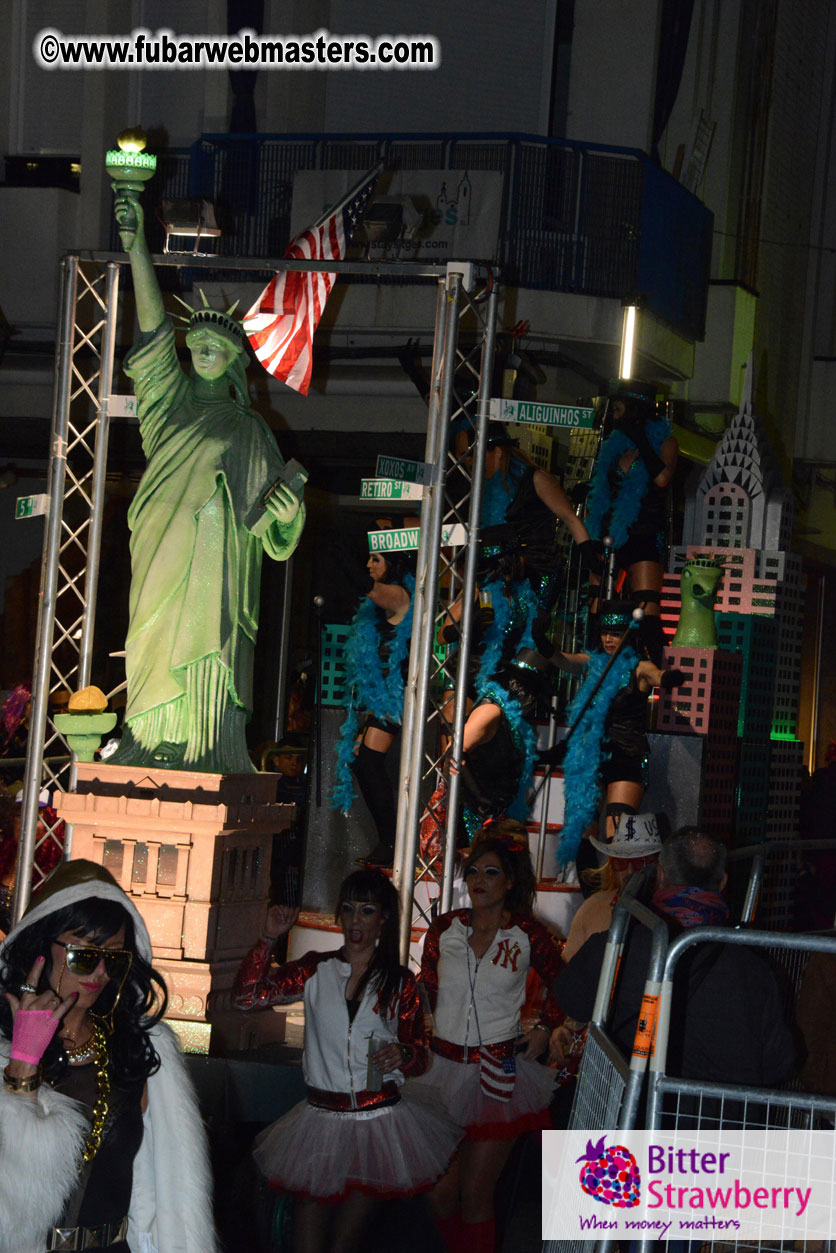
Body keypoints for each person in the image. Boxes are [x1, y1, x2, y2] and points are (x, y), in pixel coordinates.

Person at [110, 181, 305, 774]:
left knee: (206, 643)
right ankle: (148, 738)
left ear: (236, 361)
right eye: (197, 341)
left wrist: (288, 511)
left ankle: (204, 744)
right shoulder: (167, 403)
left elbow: (276, 522)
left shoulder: (249, 430)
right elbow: (148, 327)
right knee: (148, 635)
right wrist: (138, 245)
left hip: (217, 566)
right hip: (161, 543)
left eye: (219, 345)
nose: (205, 350)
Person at [232, 868, 460, 1253]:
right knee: (308, 1235)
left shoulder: (400, 982)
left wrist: (402, 1054)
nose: (356, 921)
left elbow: (421, 1056)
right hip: (321, 1117)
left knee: (345, 1245)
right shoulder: (314, 969)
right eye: (349, 909)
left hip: (379, 1121)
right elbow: (247, 997)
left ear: (383, 918)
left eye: (367, 910)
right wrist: (268, 938)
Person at [0, 858, 216, 1253]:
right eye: (84, 954)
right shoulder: (3, 1047)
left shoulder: (140, 1051)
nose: (100, 971)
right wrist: (22, 1063)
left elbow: (163, 1191)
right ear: (41, 948)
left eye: (113, 957)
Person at [552, 828, 795, 1090]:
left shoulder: (617, 945)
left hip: (635, 1116)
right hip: (722, 1124)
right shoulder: (755, 968)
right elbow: (779, 1063)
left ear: (660, 875)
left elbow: (570, 1000)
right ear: (723, 882)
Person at [419, 823, 563, 1253]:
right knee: (440, 1193)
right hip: (440, 1069)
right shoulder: (444, 928)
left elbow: (567, 983)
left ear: (511, 881)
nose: (478, 881)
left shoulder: (529, 934)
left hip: (497, 1074)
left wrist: (545, 1027)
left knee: (476, 1195)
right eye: (474, 872)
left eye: (491, 873)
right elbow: (425, 987)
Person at [542, 600, 683, 867]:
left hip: (626, 757)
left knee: (617, 835)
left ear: (628, 635)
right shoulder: (595, 663)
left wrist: (669, 679)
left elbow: (657, 675)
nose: (608, 639)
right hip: (593, 755)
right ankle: (594, 896)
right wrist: (542, 642)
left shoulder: (639, 668)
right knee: (583, 830)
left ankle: (617, 897)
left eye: (616, 633)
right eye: (605, 632)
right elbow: (565, 661)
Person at [584, 381, 678, 665]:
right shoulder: (613, 442)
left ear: (635, 410)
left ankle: (661, 674)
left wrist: (642, 440)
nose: (613, 413)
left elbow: (662, 478)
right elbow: (601, 488)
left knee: (647, 607)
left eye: (619, 407)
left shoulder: (665, 440)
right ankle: (592, 670)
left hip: (645, 532)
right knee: (597, 604)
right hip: (610, 532)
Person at [331, 549, 414, 866]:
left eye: (376, 559)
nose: (369, 564)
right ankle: (390, 841)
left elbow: (368, 587)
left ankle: (393, 843)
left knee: (368, 762)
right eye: (367, 559)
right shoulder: (374, 608)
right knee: (364, 763)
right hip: (381, 699)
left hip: (400, 696)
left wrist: (338, 552)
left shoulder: (401, 595)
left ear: (393, 563)